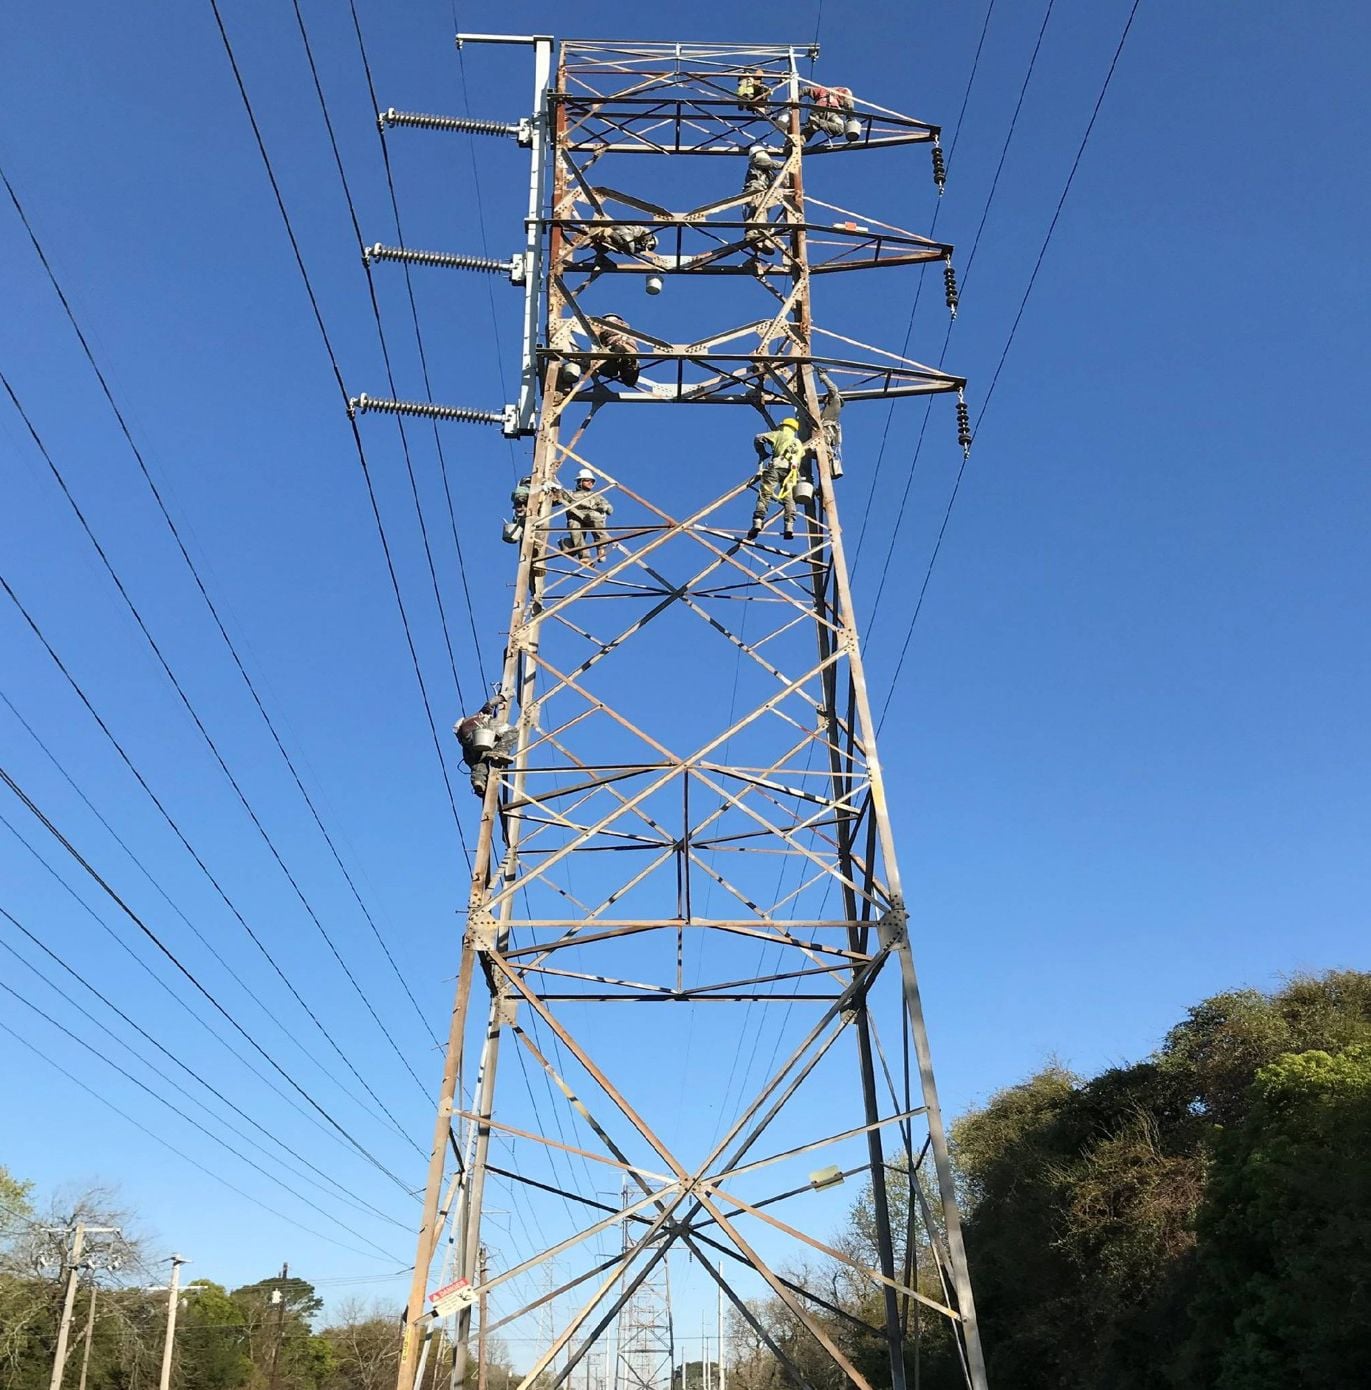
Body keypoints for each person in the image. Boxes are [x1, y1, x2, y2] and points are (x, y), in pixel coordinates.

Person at [750, 416, 810, 540]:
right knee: (789, 499)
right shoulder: (798, 443)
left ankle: (758, 521)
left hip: (776, 467)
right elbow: (801, 455)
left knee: (765, 493)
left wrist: (762, 453)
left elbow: (758, 438)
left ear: (783, 426)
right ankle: (789, 526)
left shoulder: (778, 434)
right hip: (791, 473)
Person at [454, 695, 517, 798]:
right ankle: (500, 751)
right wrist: (503, 696)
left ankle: (479, 782)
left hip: (472, 747)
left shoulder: (462, 740)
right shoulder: (478, 715)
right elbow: (490, 704)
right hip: (481, 732)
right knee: (512, 731)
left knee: (479, 763)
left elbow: (472, 763)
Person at [562, 467, 613, 563]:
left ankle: (601, 545)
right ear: (580, 481)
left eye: (592, 481)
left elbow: (610, 509)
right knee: (574, 526)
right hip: (575, 517)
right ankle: (584, 556)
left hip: (590, 517)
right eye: (587, 480)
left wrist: (605, 507)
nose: (590, 483)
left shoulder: (596, 496)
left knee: (595, 516)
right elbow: (555, 499)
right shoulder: (569, 494)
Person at [741, 147, 781, 257]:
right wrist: (787, 165)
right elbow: (770, 163)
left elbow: (778, 180)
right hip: (755, 189)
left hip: (762, 192)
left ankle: (756, 238)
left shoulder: (768, 172)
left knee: (758, 212)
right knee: (759, 209)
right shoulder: (756, 161)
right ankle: (754, 233)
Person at [594, 314, 640, 387]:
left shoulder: (613, 327)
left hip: (620, 347)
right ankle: (628, 363)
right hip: (621, 352)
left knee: (613, 369)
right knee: (627, 378)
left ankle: (629, 362)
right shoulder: (626, 331)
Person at [817, 371, 844, 478]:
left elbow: (833, 390)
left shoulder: (834, 403)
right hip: (822, 435)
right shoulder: (824, 411)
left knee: (826, 455)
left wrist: (823, 377)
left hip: (826, 433)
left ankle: (828, 474)